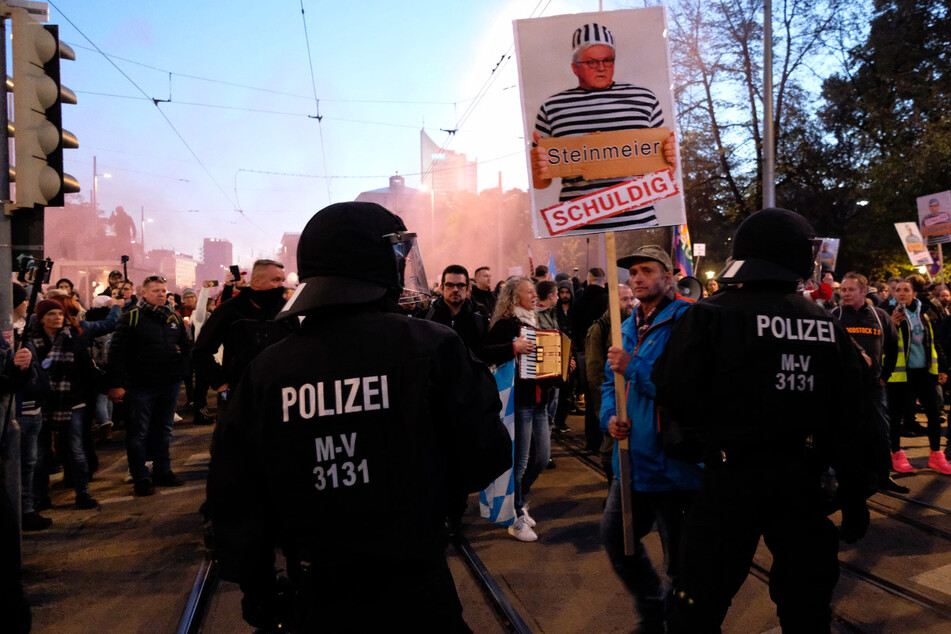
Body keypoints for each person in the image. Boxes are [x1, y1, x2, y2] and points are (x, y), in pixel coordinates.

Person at [206, 201, 510, 631]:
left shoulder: (268, 370)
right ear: (375, 263)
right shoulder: (432, 346)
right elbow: (487, 457)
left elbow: (233, 491)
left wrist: (257, 588)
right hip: (416, 588)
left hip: (315, 592)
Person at [653, 208, 879, 632]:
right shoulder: (826, 327)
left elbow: (673, 391)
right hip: (801, 483)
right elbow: (854, 418)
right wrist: (854, 494)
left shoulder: (709, 315)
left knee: (698, 602)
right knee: (806, 605)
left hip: (728, 479)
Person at [599, 244, 699, 632]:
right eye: (632, 272)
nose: (636, 278)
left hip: (675, 466)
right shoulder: (624, 325)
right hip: (630, 462)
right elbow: (611, 383)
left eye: (645, 270)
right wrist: (610, 418)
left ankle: (681, 624)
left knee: (681, 564)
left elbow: (688, 388)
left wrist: (633, 366)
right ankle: (653, 610)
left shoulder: (688, 320)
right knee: (617, 542)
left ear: (669, 277)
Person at [530, 22, 677, 231]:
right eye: (591, 61)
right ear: (575, 67)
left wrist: (671, 161)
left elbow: (664, 171)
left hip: (640, 225)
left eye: (607, 60)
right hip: (580, 227)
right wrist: (537, 169)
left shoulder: (645, 99)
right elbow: (540, 182)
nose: (601, 67)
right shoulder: (552, 107)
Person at [107, 275, 191, 496]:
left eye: (163, 291)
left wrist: (182, 371)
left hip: (169, 383)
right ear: (143, 293)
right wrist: (116, 384)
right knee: (138, 433)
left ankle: (163, 471)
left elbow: (186, 346)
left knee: (164, 431)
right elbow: (116, 354)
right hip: (141, 385)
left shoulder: (172, 316)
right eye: (156, 291)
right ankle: (141, 476)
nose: (161, 294)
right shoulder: (131, 317)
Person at [483, 276, 551, 542]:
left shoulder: (535, 321)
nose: (535, 295)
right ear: (514, 297)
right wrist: (513, 347)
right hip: (520, 402)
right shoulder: (505, 324)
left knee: (542, 457)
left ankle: (520, 500)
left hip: (538, 401)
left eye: (535, 291)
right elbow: (484, 353)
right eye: (529, 291)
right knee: (520, 462)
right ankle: (515, 518)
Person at [192, 260, 295, 417]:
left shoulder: (286, 311)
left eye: (282, 280)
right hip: (239, 396)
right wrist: (220, 384)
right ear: (256, 281)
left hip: (280, 394)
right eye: (275, 280)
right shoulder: (230, 310)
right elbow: (201, 350)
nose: (280, 286)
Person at [831, 272, 904, 491]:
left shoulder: (879, 316)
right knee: (846, 432)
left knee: (880, 430)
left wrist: (885, 376)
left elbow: (892, 346)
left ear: (864, 291)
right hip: (845, 387)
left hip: (873, 386)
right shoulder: (834, 315)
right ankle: (847, 477)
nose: (846, 294)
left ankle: (883, 475)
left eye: (851, 290)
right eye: (843, 290)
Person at [884, 278, 951, 474]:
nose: (902, 293)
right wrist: (892, 327)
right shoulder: (889, 314)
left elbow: (933, 342)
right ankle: (895, 453)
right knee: (896, 417)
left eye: (906, 290)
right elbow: (883, 343)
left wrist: (942, 368)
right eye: (898, 290)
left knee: (933, 413)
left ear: (914, 293)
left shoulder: (924, 315)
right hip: (900, 374)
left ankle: (936, 454)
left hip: (924, 372)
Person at [586, 281, 635, 479]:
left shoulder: (634, 328)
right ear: (612, 304)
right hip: (611, 403)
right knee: (608, 455)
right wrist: (604, 413)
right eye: (625, 299)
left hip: (631, 402)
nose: (630, 303)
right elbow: (595, 374)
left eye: (632, 298)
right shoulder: (599, 329)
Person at [573, 267, 609, 452]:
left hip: (585, 353)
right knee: (608, 394)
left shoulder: (579, 301)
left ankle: (591, 439)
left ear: (588, 279)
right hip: (608, 353)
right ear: (603, 280)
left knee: (590, 396)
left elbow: (573, 325)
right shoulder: (609, 300)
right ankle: (605, 437)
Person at [418, 265, 488, 360]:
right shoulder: (424, 318)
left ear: (468, 288)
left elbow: (485, 354)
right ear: (442, 288)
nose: (455, 290)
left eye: (460, 285)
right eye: (449, 285)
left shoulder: (479, 321)